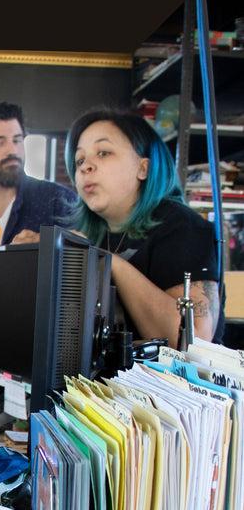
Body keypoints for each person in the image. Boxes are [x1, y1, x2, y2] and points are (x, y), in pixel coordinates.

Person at [64, 108, 223, 347]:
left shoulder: (181, 226)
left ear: (143, 168)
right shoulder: (97, 235)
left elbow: (193, 340)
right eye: (79, 160)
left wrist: (110, 262)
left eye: (104, 152)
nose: (86, 167)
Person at [0, 101, 76, 344]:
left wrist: (52, 245)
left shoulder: (57, 200)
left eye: (17, 140)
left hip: (49, 353)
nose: (12, 150)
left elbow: (86, 266)